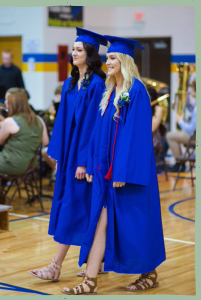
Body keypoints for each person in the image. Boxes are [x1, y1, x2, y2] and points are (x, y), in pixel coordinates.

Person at [62, 36, 166, 295]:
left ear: (124, 61)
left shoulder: (137, 91)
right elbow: (98, 132)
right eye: (107, 57)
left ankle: (149, 273)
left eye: (112, 58)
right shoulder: (109, 92)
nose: (107, 62)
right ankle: (90, 280)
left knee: (135, 224)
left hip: (127, 175)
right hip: (104, 172)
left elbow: (136, 137)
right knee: (100, 221)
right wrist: (91, 165)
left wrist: (122, 171)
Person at [28, 28, 107, 281]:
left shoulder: (97, 85)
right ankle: (98, 261)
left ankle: (56, 265)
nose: (73, 53)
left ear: (90, 54)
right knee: (77, 208)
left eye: (79, 50)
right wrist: (59, 154)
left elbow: (94, 126)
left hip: (84, 159)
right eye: (73, 49)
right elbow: (62, 121)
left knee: (76, 209)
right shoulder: (70, 84)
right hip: (69, 156)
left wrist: (84, 161)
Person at [0, 88, 49, 197]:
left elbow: (0, 141)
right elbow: (45, 141)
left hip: (12, 163)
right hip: (30, 165)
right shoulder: (38, 119)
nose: (5, 103)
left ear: (13, 103)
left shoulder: (10, 121)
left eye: (6, 100)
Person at [166, 80, 196, 172]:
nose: (190, 92)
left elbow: (190, 129)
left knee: (169, 136)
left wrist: (180, 122)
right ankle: (180, 163)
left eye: (192, 90)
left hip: (193, 137)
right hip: (193, 135)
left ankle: (179, 163)